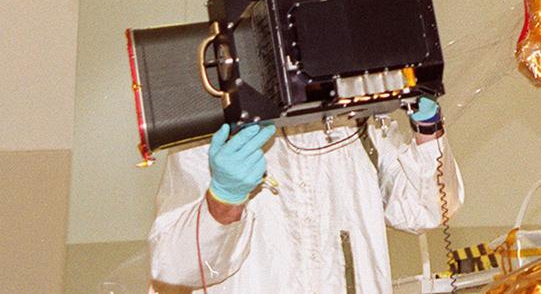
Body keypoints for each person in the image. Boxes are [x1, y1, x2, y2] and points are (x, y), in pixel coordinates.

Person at [148, 97, 462, 293]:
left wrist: (428, 128)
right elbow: (176, 269)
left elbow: (423, 210)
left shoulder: (356, 124)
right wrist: (223, 201)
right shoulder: (212, 137)